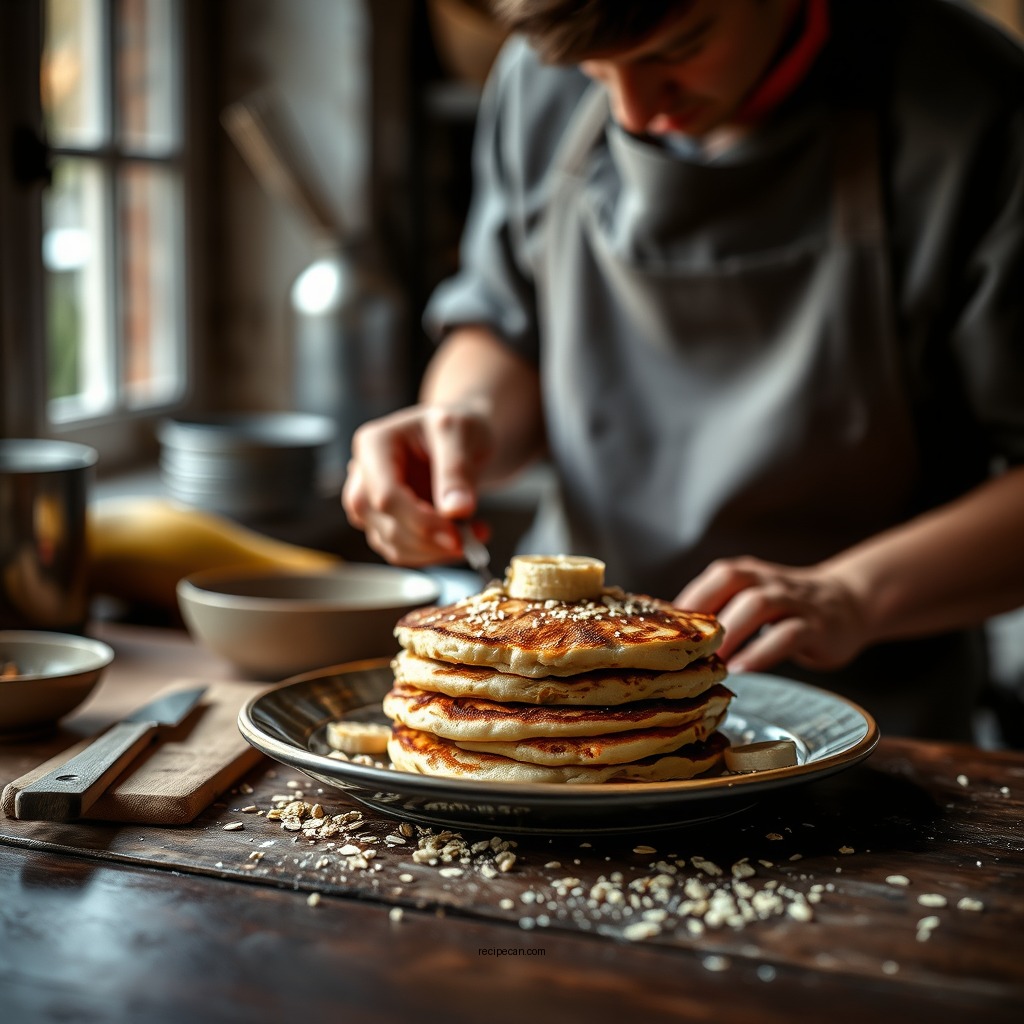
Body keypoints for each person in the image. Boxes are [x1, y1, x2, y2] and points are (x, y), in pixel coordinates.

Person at [343, 0, 1024, 740]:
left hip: (878, 718)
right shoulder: (543, 71)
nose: (632, 111)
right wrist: (464, 422)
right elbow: (507, 326)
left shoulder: (978, 106)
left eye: (682, 45)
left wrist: (849, 596)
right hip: (547, 705)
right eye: (593, 74)